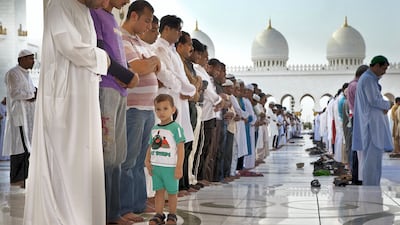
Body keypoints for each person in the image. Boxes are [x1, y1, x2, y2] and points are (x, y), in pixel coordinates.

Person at [23, 0, 133, 224]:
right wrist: (106, 60)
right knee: (65, 163)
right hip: (64, 102)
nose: (106, 3)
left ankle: (82, 217)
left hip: (84, 99)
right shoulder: (60, 5)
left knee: (84, 160)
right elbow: (71, 46)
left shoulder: (84, 10)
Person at [90, 0, 139, 224]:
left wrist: (128, 77)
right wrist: (128, 76)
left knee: (119, 154)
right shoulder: (95, 13)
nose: (127, 2)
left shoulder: (112, 19)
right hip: (106, 87)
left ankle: (115, 211)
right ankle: (107, 214)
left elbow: (118, 54)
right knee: (108, 153)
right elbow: (100, 51)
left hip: (120, 91)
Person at [119, 0, 160, 218]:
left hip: (146, 108)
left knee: (139, 161)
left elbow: (155, 66)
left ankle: (138, 204)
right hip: (133, 108)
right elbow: (140, 67)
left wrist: (151, 62)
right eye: (146, 21)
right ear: (133, 16)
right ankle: (125, 208)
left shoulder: (139, 42)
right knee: (128, 160)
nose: (148, 26)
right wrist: (151, 62)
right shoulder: (122, 38)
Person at [352, 55, 393, 186]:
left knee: (373, 158)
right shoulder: (369, 79)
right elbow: (373, 100)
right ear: (376, 66)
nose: (384, 72)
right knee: (372, 158)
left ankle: (372, 185)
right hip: (372, 126)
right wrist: (389, 104)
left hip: (372, 124)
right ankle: (371, 186)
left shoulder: (368, 79)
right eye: (383, 69)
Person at [145, 94, 185, 225]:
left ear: (173, 109)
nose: (161, 112)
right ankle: (159, 214)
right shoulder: (155, 128)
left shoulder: (176, 128)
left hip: (170, 167)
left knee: (172, 192)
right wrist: (147, 161)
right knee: (159, 192)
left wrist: (179, 167)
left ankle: (172, 215)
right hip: (157, 167)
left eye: (165, 108)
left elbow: (180, 148)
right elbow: (151, 145)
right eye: (158, 109)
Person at [3, 50, 36, 188]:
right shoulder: (13, 73)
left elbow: (32, 91)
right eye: (30, 59)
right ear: (21, 59)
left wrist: (35, 92)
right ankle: (17, 179)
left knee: (26, 148)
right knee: (20, 147)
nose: (33, 61)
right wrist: (33, 95)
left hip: (28, 118)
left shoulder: (27, 75)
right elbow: (15, 93)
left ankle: (24, 178)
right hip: (19, 117)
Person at [346, 64, 368, 185]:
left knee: (357, 148)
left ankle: (357, 176)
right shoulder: (355, 85)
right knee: (359, 149)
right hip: (359, 118)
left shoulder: (352, 85)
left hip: (357, 118)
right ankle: (358, 177)